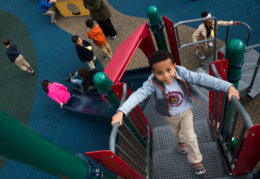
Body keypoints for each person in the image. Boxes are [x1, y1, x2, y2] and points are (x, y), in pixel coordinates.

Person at [111, 50, 240, 175]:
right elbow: (138, 95)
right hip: (170, 115)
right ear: (153, 73)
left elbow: (202, 78)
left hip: (185, 112)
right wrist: (122, 111)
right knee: (177, 132)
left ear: (174, 66)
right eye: (160, 73)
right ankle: (180, 143)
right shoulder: (152, 82)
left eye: (168, 70)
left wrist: (227, 86)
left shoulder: (181, 72)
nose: (166, 76)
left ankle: (196, 162)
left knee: (190, 136)